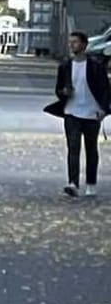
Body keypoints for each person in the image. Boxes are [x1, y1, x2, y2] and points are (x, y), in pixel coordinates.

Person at [50, 31, 110, 198]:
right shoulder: (65, 66)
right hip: (72, 112)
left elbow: (105, 90)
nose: (72, 45)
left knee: (91, 149)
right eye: (71, 42)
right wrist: (64, 92)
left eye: (75, 42)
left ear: (84, 45)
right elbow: (58, 90)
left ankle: (91, 183)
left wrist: (103, 109)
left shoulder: (95, 66)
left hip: (92, 113)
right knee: (73, 148)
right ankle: (73, 183)